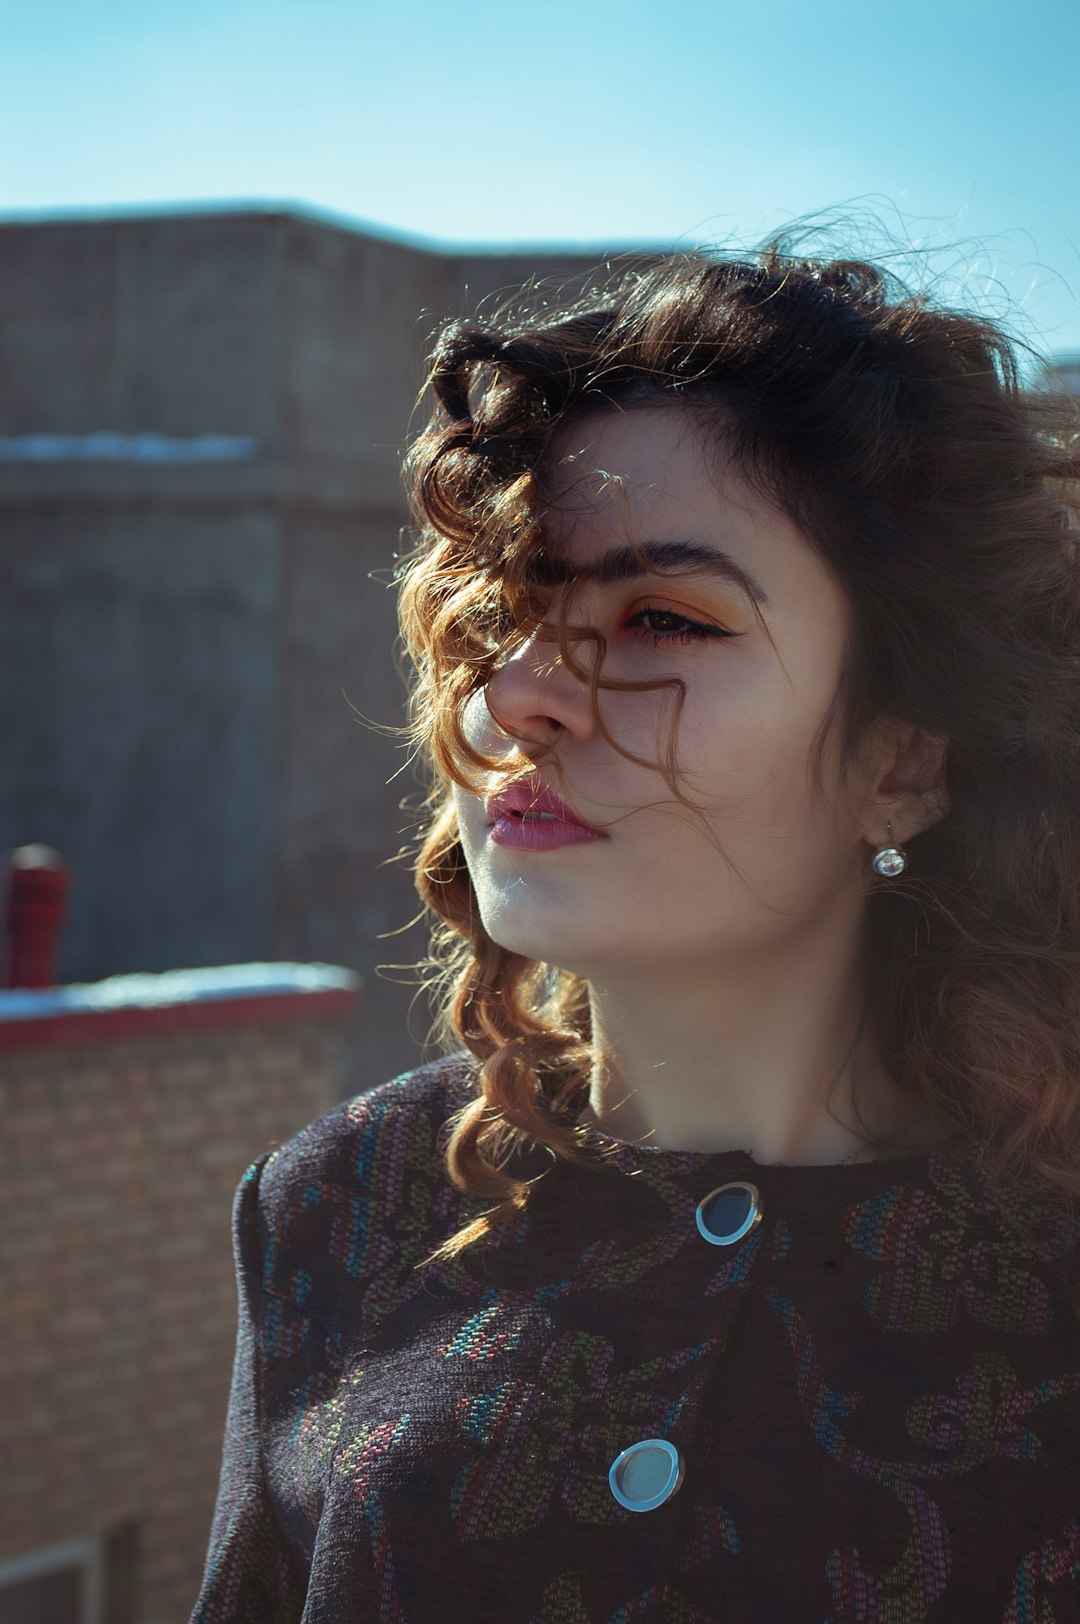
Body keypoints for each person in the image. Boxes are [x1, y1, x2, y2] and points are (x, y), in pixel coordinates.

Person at [190, 245, 1080, 1623]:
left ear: (902, 760)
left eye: (660, 617)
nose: (521, 697)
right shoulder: (334, 1207)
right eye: (506, 613)